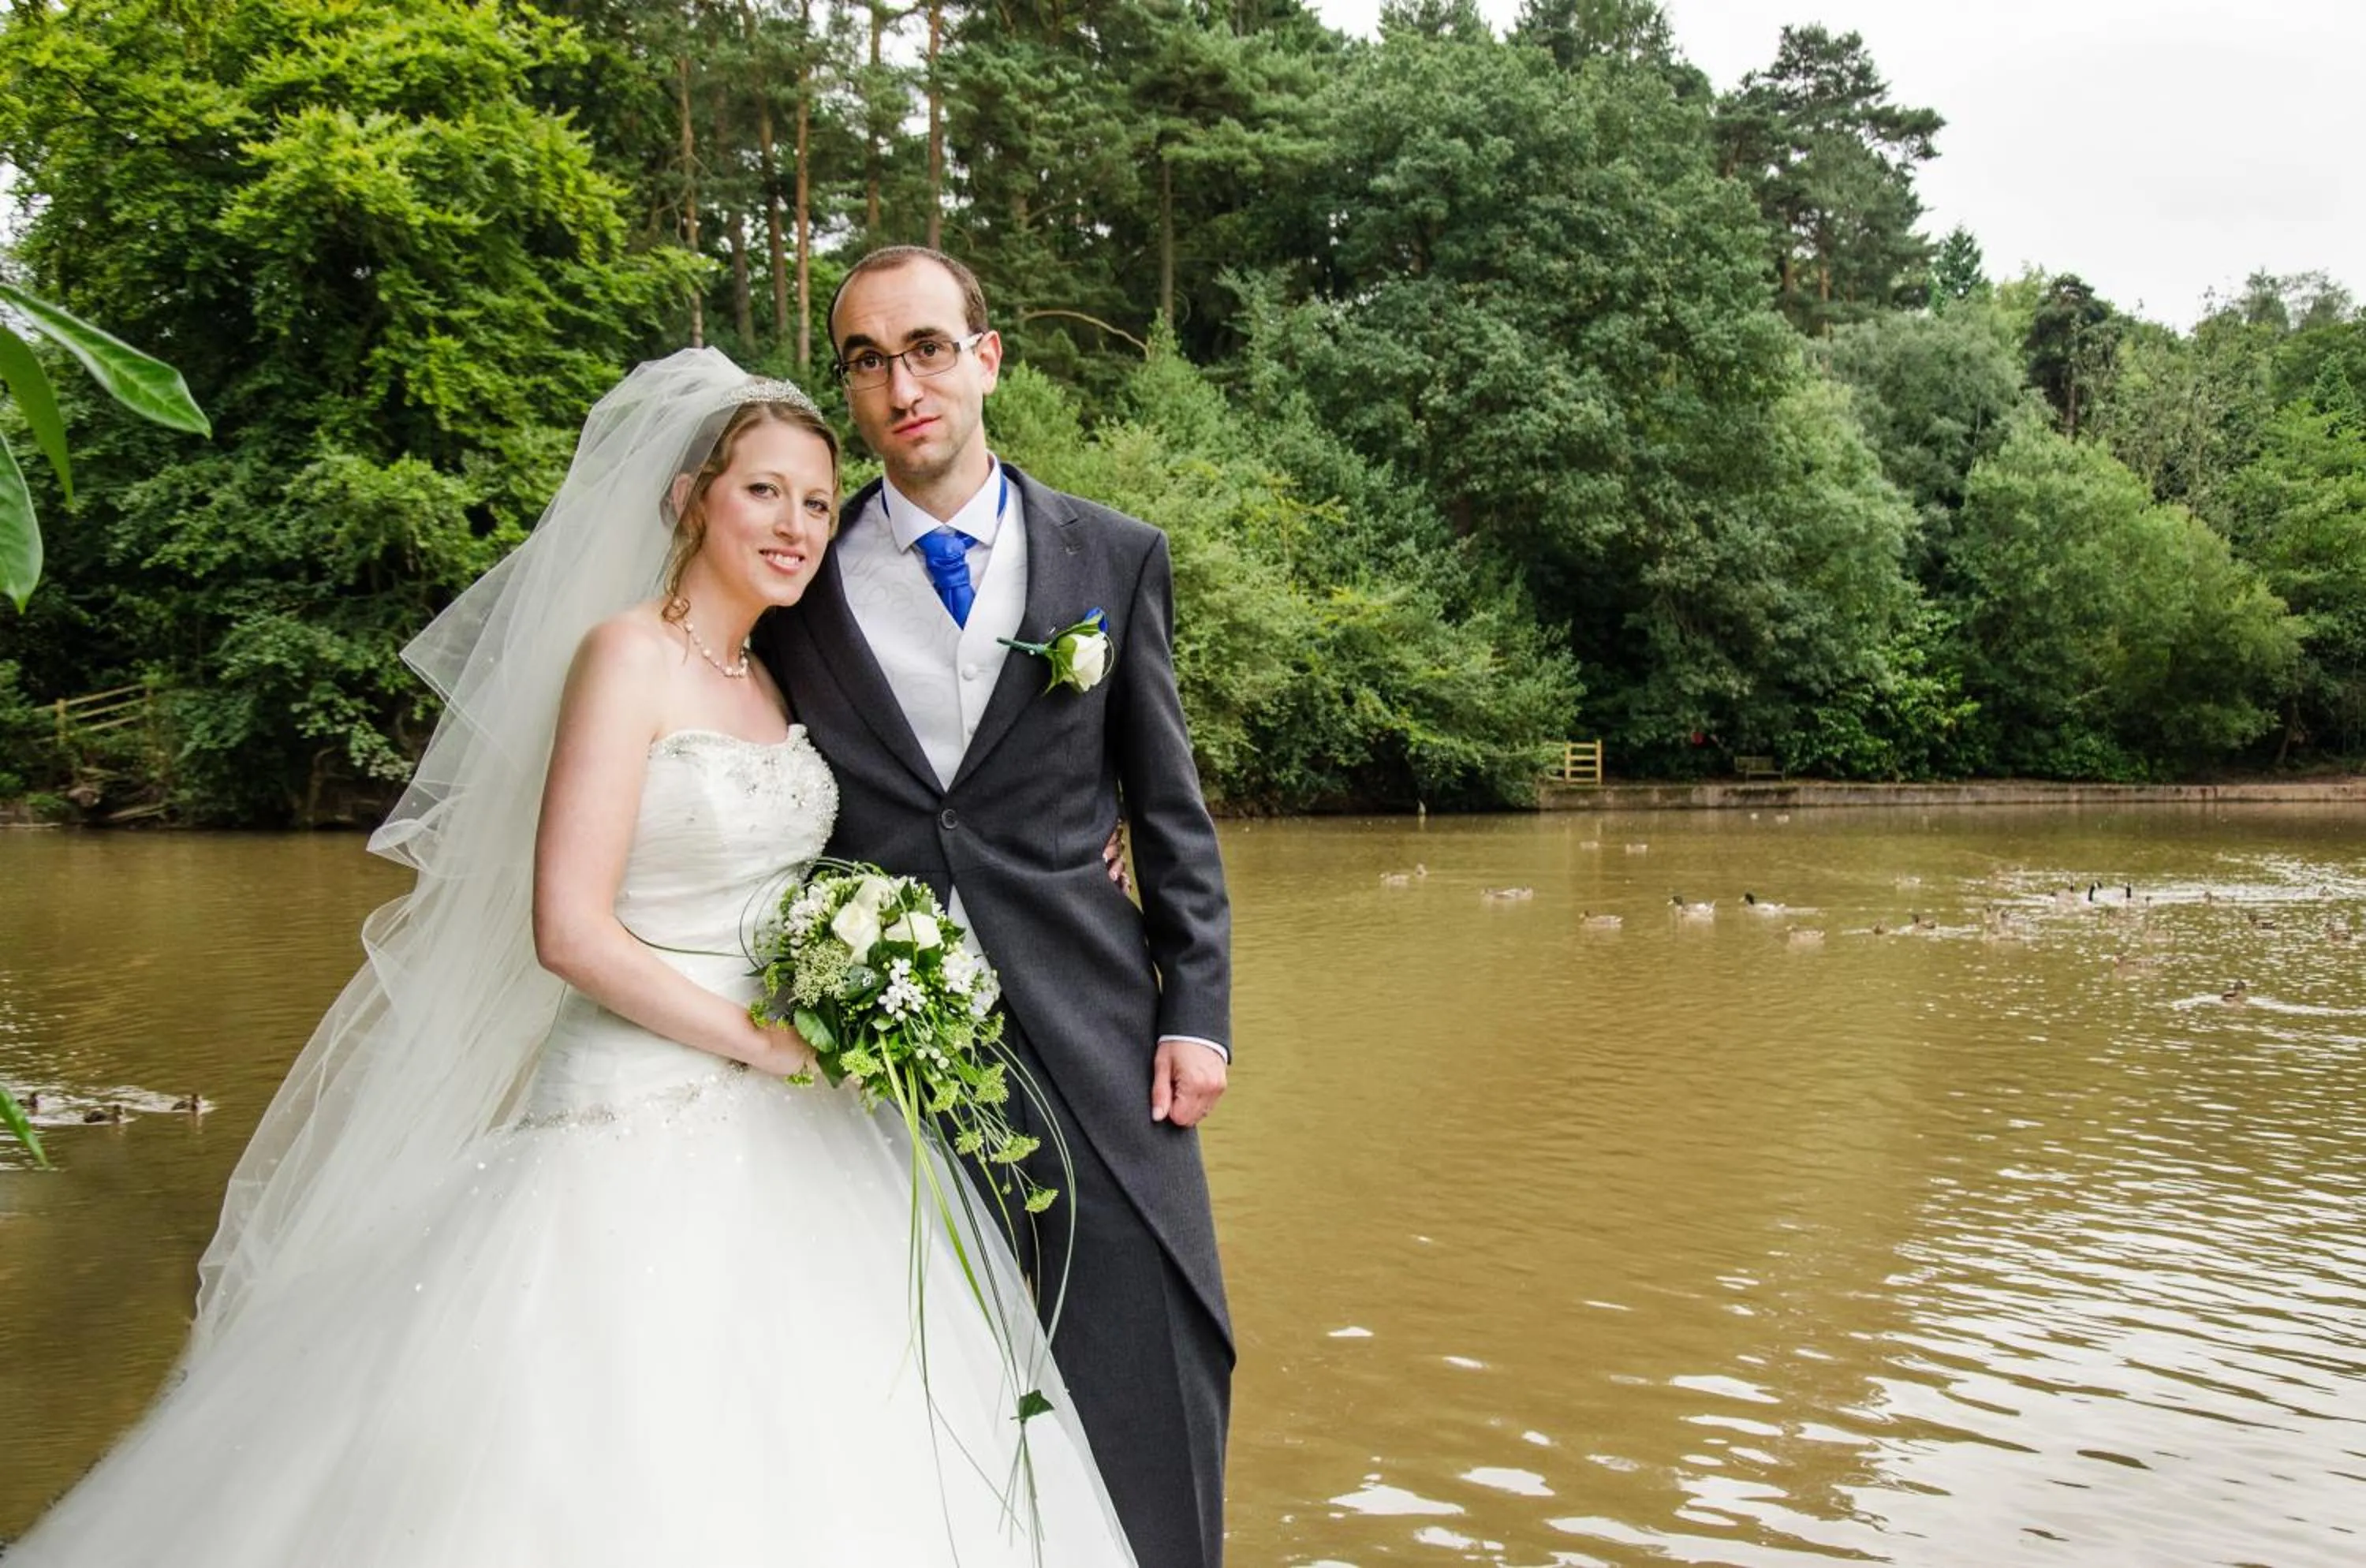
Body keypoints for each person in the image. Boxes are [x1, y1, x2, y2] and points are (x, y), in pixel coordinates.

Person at [6, 351, 1136, 1566]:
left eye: (817, 501)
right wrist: (755, 1041)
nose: (797, 526)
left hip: (806, 1114)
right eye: (764, 491)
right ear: (689, 500)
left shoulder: (772, 679)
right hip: (633, 1104)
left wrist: (1065, 851)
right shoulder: (624, 657)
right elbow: (570, 929)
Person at [758, 245, 1234, 1568]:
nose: (900, 385)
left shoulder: (1114, 557)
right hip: (881, 1058)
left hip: (1096, 1025)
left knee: (1158, 1347)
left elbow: (1170, 808)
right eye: (865, 361)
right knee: (914, 1374)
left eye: (925, 348)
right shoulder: (797, 578)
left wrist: (1197, 1012)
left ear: (987, 357)